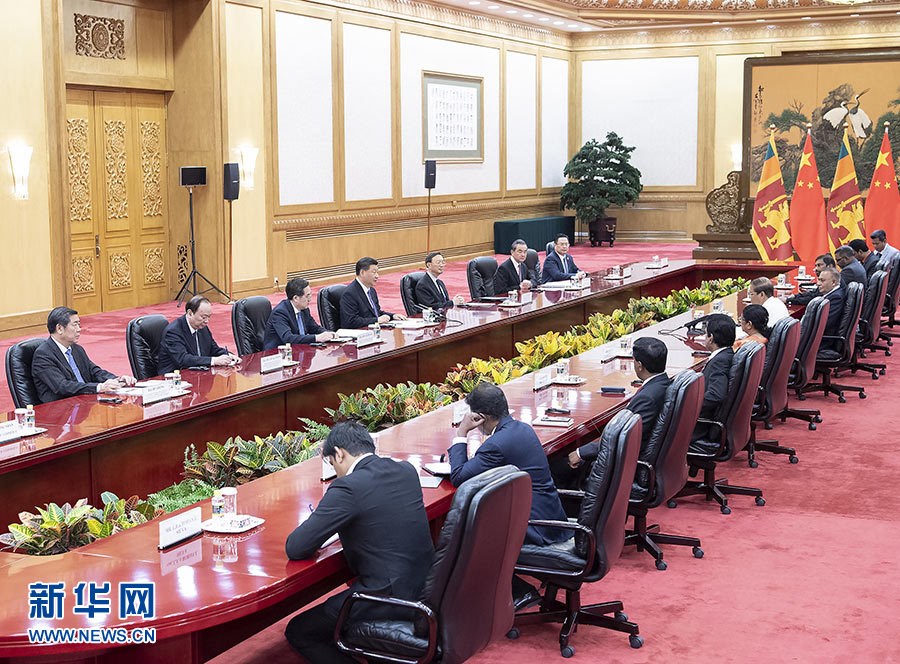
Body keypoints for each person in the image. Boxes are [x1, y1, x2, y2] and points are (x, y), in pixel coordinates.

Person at [284, 421, 434, 663]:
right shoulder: (406, 470)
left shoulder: (347, 487)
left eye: (332, 463)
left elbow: (297, 547)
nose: (335, 471)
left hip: (385, 596)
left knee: (300, 631)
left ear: (339, 454)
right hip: (427, 587)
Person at [449, 382, 567, 608]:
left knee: (468, 533)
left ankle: (519, 591)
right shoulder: (522, 429)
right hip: (551, 517)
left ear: (480, 417)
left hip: (535, 527)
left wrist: (461, 432)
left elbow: (459, 477)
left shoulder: (496, 444)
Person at [568, 337, 671, 469]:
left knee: (558, 466)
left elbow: (623, 438)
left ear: (639, 365)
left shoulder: (647, 398)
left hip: (624, 464)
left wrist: (580, 453)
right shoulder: (663, 384)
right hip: (649, 456)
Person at [31, 307, 136, 404]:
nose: (79, 329)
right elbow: (62, 386)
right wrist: (99, 387)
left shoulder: (76, 349)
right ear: (59, 328)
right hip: (62, 409)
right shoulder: (43, 355)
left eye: (79, 324)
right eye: (75, 325)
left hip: (84, 403)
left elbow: (94, 372)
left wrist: (117, 380)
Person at [157, 296, 240, 375]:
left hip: (198, 373)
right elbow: (183, 359)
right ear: (190, 313)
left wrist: (228, 355)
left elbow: (213, 349)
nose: (206, 321)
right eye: (203, 317)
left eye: (209, 317)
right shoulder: (173, 332)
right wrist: (214, 360)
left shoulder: (202, 327)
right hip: (175, 377)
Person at [691, 314, 736, 444]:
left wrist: (687, 405)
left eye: (705, 334)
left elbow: (716, 395)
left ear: (710, 338)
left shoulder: (720, 361)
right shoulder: (726, 354)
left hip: (701, 426)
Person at [263, 277, 334, 350]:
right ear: (296, 298)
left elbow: (314, 328)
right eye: (307, 296)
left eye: (310, 295)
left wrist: (329, 334)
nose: (310, 299)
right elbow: (288, 338)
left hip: (298, 350)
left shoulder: (304, 309)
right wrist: (316, 338)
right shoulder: (280, 313)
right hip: (277, 353)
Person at [340, 257, 406, 329]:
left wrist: (392, 316)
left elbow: (376, 312)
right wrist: (376, 320)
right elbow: (351, 321)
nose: (377, 276)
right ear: (362, 272)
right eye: (374, 272)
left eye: (377, 272)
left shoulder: (371, 291)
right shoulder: (350, 293)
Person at [817, 267, 845, 339]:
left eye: (822, 280)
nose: (818, 283)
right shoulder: (833, 293)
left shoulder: (836, 298)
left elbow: (824, 323)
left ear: (833, 282)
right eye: (818, 280)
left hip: (824, 339)